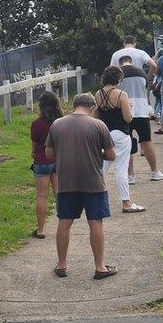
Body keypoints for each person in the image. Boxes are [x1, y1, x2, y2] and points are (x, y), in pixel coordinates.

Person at [45, 94, 117, 280]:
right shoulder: (98, 125)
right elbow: (111, 155)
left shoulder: (57, 124)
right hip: (93, 182)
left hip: (67, 182)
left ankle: (61, 265)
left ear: (74, 105)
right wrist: (95, 153)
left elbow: (49, 152)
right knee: (95, 222)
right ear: (92, 107)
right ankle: (100, 267)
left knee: (64, 222)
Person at [95, 67, 145, 213]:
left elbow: (97, 117)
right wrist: (129, 107)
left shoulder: (98, 94)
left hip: (105, 133)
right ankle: (126, 202)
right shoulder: (121, 94)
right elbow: (128, 118)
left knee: (102, 167)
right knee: (121, 169)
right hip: (121, 134)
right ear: (118, 79)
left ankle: (96, 198)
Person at [118, 56, 163, 182]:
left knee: (127, 143)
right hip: (141, 111)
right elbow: (145, 88)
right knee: (146, 140)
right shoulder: (141, 73)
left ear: (120, 63)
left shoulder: (118, 73)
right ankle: (155, 172)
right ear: (131, 62)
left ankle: (131, 175)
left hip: (125, 111)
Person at [30, 92, 61, 239]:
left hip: (41, 162)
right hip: (58, 160)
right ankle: (63, 225)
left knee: (42, 196)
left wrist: (34, 154)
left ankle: (41, 229)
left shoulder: (36, 124)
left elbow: (34, 144)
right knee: (59, 193)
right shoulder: (61, 122)